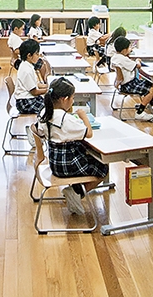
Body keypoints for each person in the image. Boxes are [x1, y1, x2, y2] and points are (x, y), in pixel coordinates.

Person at [35, 78, 107, 215]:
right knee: (103, 167)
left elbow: (41, 131)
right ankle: (76, 192)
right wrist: (83, 116)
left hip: (54, 163)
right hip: (69, 164)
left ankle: (76, 188)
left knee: (90, 157)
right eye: (72, 98)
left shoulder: (44, 113)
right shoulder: (65, 119)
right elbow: (89, 133)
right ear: (64, 99)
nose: (73, 101)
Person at [110, 36, 153, 121]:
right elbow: (137, 66)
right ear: (124, 50)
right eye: (129, 48)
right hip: (129, 85)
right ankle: (139, 113)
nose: (130, 49)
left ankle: (150, 102)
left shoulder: (115, 57)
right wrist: (138, 60)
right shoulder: (123, 59)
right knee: (152, 89)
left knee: (150, 83)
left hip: (123, 84)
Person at [14, 39, 47, 115]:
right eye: (37, 54)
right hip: (25, 102)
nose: (38, 56)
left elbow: (35, 84)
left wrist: (47, 86)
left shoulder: (27, 65)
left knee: (49, 103)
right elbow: (34, 92)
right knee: (50, 107)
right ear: (29, 56)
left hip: (28, 98)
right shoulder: (27, 70)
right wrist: (48, 91)